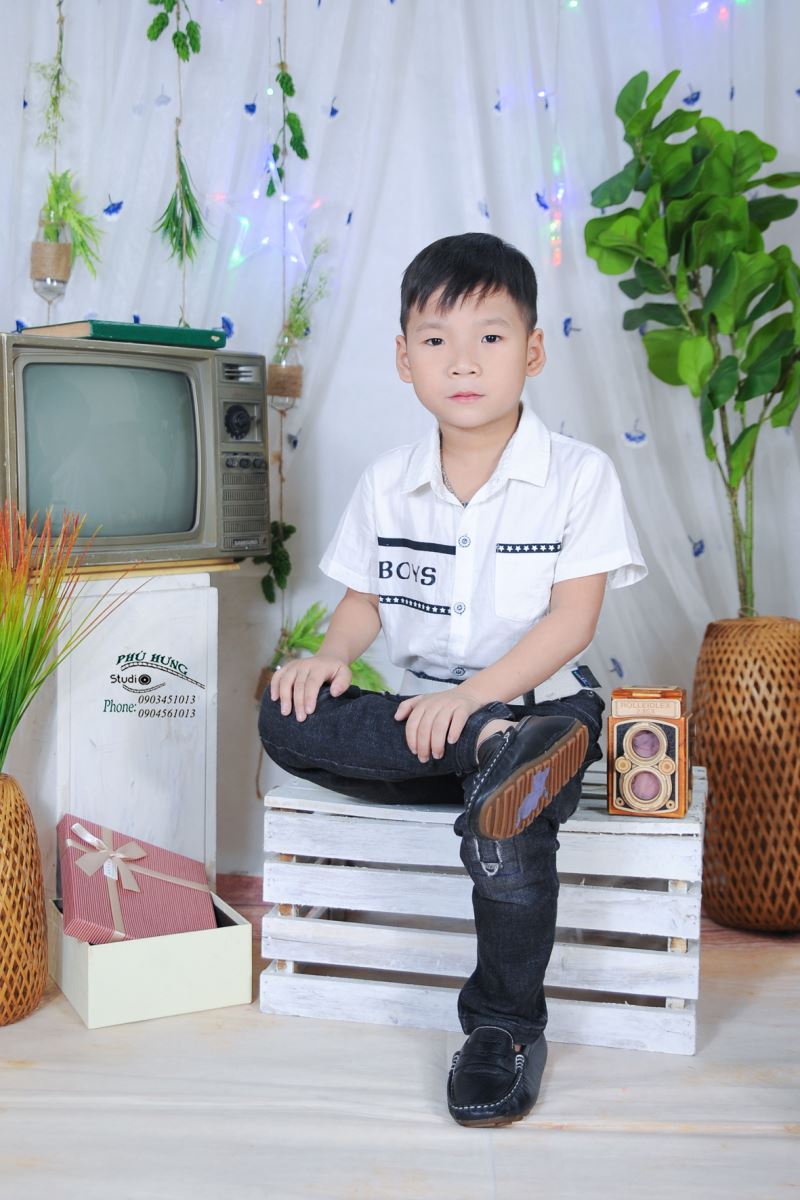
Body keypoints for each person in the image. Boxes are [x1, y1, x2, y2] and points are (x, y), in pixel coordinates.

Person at [259, 231, 647, 1128]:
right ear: (405, 359)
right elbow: (364, 600)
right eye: (436, 340)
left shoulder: (579, 476)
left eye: (490, 337)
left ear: (533, 351)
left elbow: (572, 621)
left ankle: (503, 1029)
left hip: (546, 708)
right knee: (284, 711)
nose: (462, 362)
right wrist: (330, 655)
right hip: (429, 718)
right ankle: (486, 753)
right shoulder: (387, 481)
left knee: (509, 823)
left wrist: (476, 699)